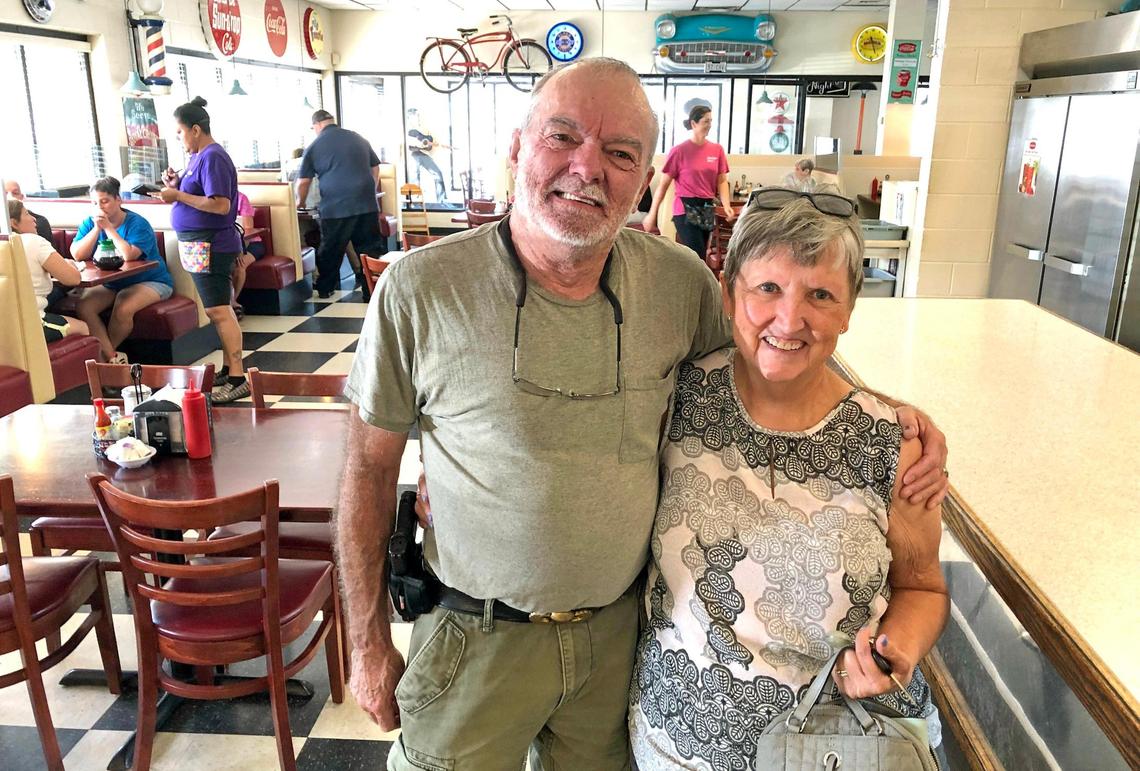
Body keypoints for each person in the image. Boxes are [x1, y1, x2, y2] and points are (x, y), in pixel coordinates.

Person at [337, 58, 950, 771]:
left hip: (620, 645)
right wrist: (368, 639)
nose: (587, 167)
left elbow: (775, 349)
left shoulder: (677, 283)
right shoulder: (422, 288)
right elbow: (367, 469)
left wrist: (879, 412)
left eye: (619, 152)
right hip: (477, 637)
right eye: (562, 137)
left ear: (645, 174)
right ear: (517, 146)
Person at [629, 188, 949, 770]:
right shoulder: (675, 398)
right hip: (671, 746)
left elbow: (924, 587)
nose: (789, 318)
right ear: (729, 294)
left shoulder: (891, 446)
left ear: (850, 308)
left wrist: (894, 651)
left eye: (820, 295)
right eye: (767, 288)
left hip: (833, 748)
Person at [157, 96, 248, 403]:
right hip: (198, 243)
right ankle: (228, 367)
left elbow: (221, 205)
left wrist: (178, 197)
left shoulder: (213, 157)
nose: (179, 139)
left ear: (195, 129)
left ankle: (238, 376)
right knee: (215, 309)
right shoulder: (197, 157)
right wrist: (176, 185)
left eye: (180, 132)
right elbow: (197, 193)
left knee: (220, 310)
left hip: (212, 243)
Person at [70, 176, 175, 364]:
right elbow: (77, 254)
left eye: (105, 201)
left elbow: (128, 255)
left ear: (118, 199)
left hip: (151, 280)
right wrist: (96, 229)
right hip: (113, 283)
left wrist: (109, 228)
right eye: (95, 203)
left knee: (123, 306)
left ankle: (103, 360)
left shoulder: (137, 223)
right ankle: (111, 357)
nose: (100, 207)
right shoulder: (89, 222)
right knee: (84, 306)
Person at [297, 109, 386, 299]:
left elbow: (303, 181)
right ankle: (371, 290)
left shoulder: (314, 146)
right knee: (369, 249)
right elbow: (375, 166)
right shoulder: (358, 138)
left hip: (336, 207)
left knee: (331, 249)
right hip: (366, 205)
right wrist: (370, 187)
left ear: (317, 125)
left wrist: (299, 202)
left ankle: (325, 288)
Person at [642, 105, 735, 259]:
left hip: (706, 206)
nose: (709, 125)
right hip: (685, 207)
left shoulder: (717, 150)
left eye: (711, 121)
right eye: (706, 121)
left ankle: (692, 281)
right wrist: (652, 214)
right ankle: (698, 282)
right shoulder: (679, 151)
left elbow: (722, 181)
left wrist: (726, 206)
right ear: (694, 124)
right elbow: (663, 186)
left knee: (701, 256)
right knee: (696, 254)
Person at [8, 199, 88, 342]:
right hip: (31, 322)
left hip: (8, 324)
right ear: (14, 223)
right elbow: (73, 279)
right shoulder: (34, 241)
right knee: (83, 328)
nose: (34, 219)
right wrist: (68, 264)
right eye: (27, 214)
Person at [229, 190, 262, 319]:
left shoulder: (241, 198)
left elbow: (248, 229)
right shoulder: (208, 199)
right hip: (226, 245)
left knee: (239, 265)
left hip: (250, 243)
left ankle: (233, 302)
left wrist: (241, 250)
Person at [406, 108, 450, 203]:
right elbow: (409, 142)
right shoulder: (405, 128)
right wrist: (421, 143)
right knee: (414, 176)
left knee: (438, 173)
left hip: (423, 153)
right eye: (414, 116)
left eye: (417, 115)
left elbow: (431, 141)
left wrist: (440, 145)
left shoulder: (424, 128)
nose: (417, 118)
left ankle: (441, 201)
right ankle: (415, 202)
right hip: (412, 154)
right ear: (409, 117)